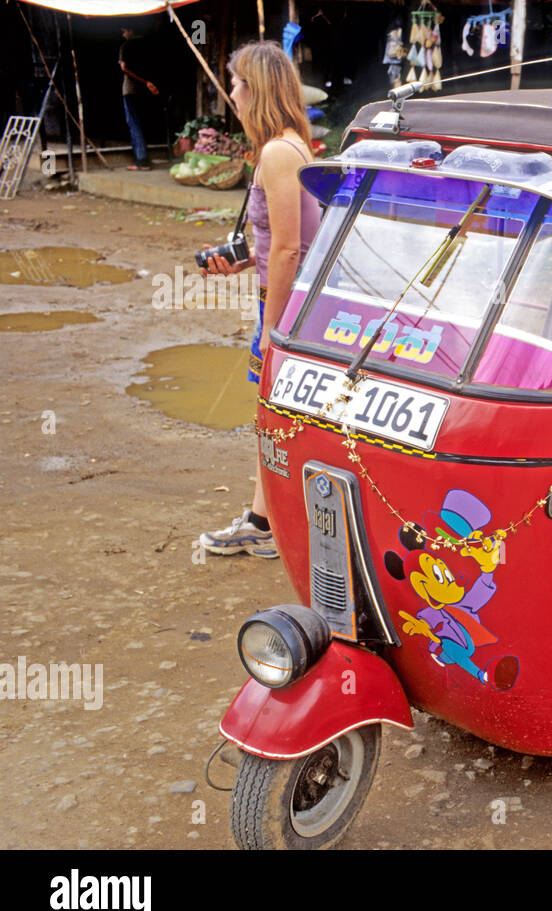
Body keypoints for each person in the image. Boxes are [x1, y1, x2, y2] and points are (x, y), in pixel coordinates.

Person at [197, 41, 321, 558]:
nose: (232, 93)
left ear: (258, 90)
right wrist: (242, 259)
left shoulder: (277, 152)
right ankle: (263, 520)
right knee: (272, 414)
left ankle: (270, 524)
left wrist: (273, 332)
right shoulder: (288, 146)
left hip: (285, 305)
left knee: (273, 412)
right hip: (285, 297)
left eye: (237, 84)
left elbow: (292, 248)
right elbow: (279, 241)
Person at [119, 26, 159, 171]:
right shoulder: (148, 45)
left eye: (124, 31)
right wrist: (148, 83)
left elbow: (124, 68)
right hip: (146, 91)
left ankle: (141, 160)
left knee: (134, 124)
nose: (123, 34)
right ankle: (143, 158)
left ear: (131, 30)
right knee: (142, 122)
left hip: (131, 89)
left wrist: (144, 82)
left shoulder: (127, 46)